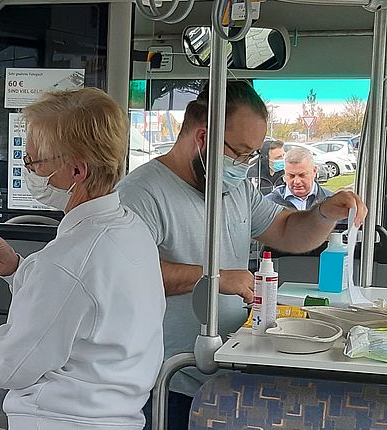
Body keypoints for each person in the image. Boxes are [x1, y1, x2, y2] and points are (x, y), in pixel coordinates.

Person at [115, 81, 367, 430]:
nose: (246, 166)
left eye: (252, 156)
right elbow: (124, 276)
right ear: (203, 139)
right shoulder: (140, 193)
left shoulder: (233, 189)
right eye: (241, 153)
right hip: (168, 380)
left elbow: (287, 231)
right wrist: (215, 278)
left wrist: (324, 212)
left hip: (225, 373)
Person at [0, 88, 166, 430]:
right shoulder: (131, 229)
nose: (29, 170)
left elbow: (6, 366)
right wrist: (18, 269)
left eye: (34, 162)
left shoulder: (68, 261)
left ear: (77, 170)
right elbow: (86, 313)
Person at [266, 147, 332, 210]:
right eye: (291, 176)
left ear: (314, 171)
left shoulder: (332, 202)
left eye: (302, 175)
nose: (297, 181)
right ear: (285, 173)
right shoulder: (269, 203)